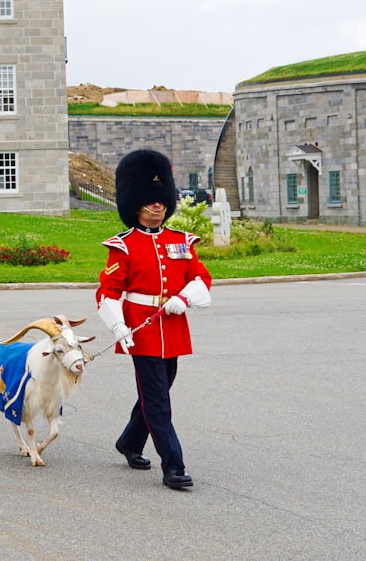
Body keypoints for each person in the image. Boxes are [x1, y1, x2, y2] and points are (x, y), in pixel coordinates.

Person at [96, 149, 212, 490]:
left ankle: (130, 442)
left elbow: (201, 278)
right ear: (136, 204)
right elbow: (107, 292)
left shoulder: (181, 242)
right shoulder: (124, 246)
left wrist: (183, 297)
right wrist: (118, 327)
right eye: (150, 200)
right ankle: (173, 466)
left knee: (156, 392)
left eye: (161, 199)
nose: (158, 205)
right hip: (140, 332)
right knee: (159, 400)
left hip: (173, 328)